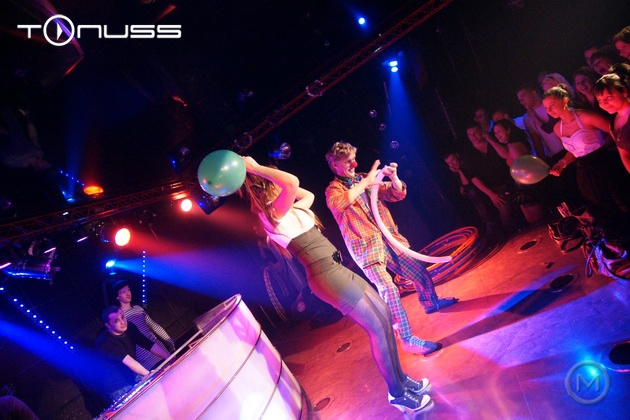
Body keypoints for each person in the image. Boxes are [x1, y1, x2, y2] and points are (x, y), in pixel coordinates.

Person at [238, 156, 432, 412]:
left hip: (336, 268)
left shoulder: (289, 209)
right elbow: (292, 182)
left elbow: (306, 194)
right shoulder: (271, 215)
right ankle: (397, 393)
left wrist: (262, 175)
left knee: (385, 316)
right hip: (326, 276)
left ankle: (402, 381)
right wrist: (254, 169)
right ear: (267, 186)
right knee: (377, 327)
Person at [324, 142, 457, 355]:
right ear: (335, 165)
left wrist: (393, 178)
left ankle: (431, 303)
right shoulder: (333, 190)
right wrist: (367, 180)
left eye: (353, 159)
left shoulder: (364, 178)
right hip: (367, 249)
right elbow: (341, 203)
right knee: (389, 290)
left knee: (418, 271)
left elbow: (395, 194)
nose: (353, 164)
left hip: (389, 239)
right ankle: (407, 339)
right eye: (347, 161)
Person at [543, 84, 630, 231]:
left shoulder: (586, 117)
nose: (549, 110)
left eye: (552, 105)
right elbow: (574, 151)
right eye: (546, 108)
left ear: (565, 100)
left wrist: (605, 148)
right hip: (584, 172)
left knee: (620, 202)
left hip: (604, 165)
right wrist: (562, 163)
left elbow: (616, 131)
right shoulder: (557, 128)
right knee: (600, 209)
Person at [95, 306, 171, 403]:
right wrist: (150, 375)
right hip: (119, 387)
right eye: (116, 321)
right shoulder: (105, 341)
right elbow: (128, 361)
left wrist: (169, 357)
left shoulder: (130, 327)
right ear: (108, 325)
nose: (122, 322)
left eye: (122, 317)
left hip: (133, 376)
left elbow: (148, 344)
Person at [112, 280, 175, 371]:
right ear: (117, 296)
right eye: (123, 292)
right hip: (146, 360)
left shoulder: (138, 309)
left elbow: (154, 326)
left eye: (128, 290)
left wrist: (170, 341)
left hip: (161, 350)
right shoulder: (120, 316)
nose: (128, 294)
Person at [492, 119, 546, 224]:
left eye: (499, 131)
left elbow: (523, 167)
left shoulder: (514, 146)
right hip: (524, 185)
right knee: (534, 219)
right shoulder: (512, 145)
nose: (497, 135)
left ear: (508, 130)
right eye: (495, 133)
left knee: (537, 219)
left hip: (526, 185)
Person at [443, 151, 502, 240]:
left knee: (472, 193)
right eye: (448, 163)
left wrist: (460, 172)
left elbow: (468, 184)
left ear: (457, 156)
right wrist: (459, 172)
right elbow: (465, 187)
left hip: (488, 184)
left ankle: (490, 224)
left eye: (452, 160)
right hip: (475, 191)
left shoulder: (467, 163)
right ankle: (486, 225)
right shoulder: (455, 170)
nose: (452, 164)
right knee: (470, 194)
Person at [516, 83, 565, 164]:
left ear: (533, 93)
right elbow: (537, 142)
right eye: (519, 100)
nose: (521, 101)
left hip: (570, 148)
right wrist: (542, 162)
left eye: (523, 97)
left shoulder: (550, 105)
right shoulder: (527, 118)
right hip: (555, 156)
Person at [594, 63, 630, 173]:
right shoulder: (613, 125)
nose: (604, 103)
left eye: (609, 97)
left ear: (624, 91)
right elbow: (625, 155)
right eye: (600, 100)